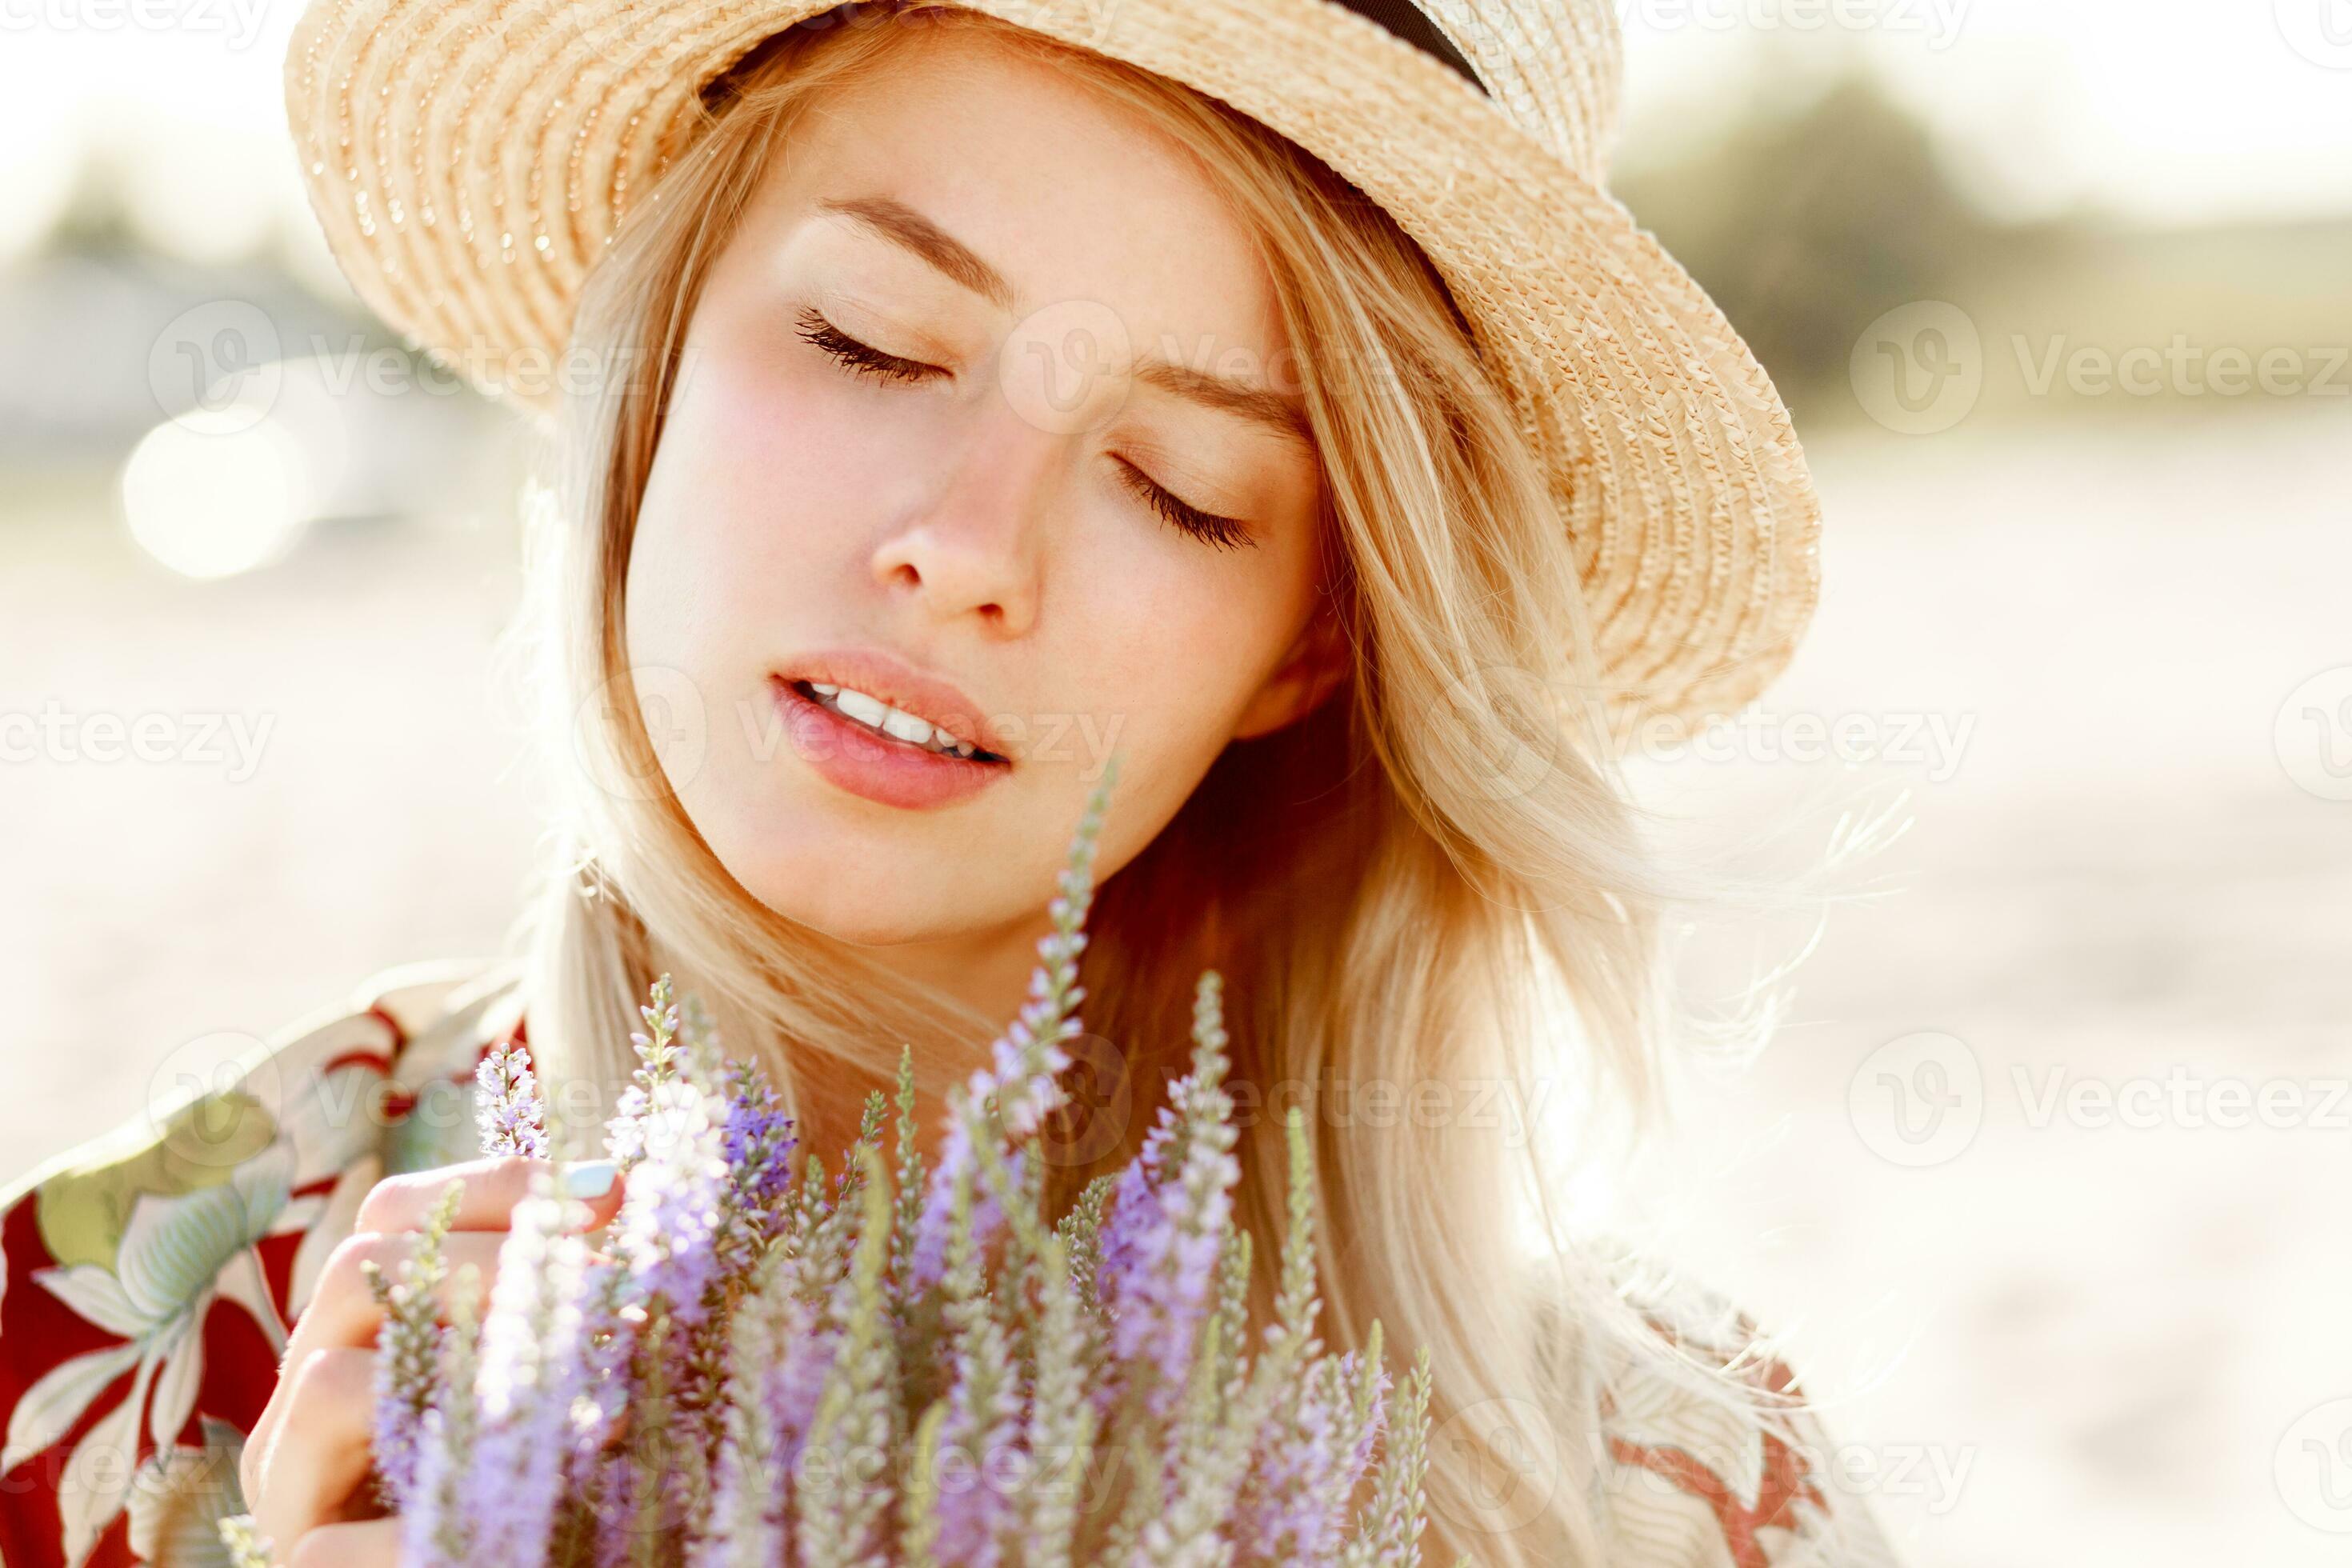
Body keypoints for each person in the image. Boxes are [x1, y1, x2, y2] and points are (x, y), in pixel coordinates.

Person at [0, 1, 1901, 1563]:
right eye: (870, 338)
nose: (968, 545)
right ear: (649, 359)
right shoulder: (90, 1346)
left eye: (1183, 484)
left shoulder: (1636, 1492)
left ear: (1315, 643)